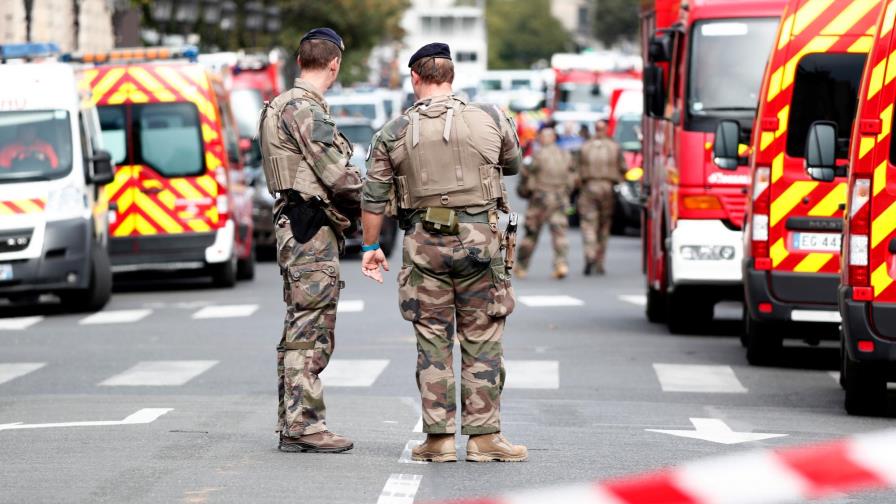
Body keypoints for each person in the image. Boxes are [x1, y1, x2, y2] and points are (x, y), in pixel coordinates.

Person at [359, 42, 528, 463]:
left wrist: (369, 246)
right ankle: (484, 438)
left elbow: (373, 196)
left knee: (432, 340)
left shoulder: (393, 131)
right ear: (452, 77)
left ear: (415, 77)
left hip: (423, 246)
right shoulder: (490, 116)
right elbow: (513, 163)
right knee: (483, 337)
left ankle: (438, 440)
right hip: (481, 244)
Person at [256, 28, 362, 454]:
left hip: (296, 222)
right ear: (334, 64)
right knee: (312, 327)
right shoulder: (304, 109)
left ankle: (293, 422)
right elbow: (337, 175)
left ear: (300, 60)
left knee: (300, 325)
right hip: (310, 226)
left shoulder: (280, 104)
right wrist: (379, 196)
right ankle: (305, 425)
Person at [515, 123, 575, 279]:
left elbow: (525, 177)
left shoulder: (536, 156)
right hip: (560, 198)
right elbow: (573, 178)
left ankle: (521, 266)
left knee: (531, 234)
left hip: (539, 199)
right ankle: (561, 264)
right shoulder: (566, 155)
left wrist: (525, 192)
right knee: (559, 233)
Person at [577, 119, 627, 275]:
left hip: (589, 187)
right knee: (604, 226)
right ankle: (599, 261)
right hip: (608, 188)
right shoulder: (614, 147)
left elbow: (576, 169)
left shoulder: (585, 147)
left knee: (588, 223)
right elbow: (623, 168)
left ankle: (590, 253)